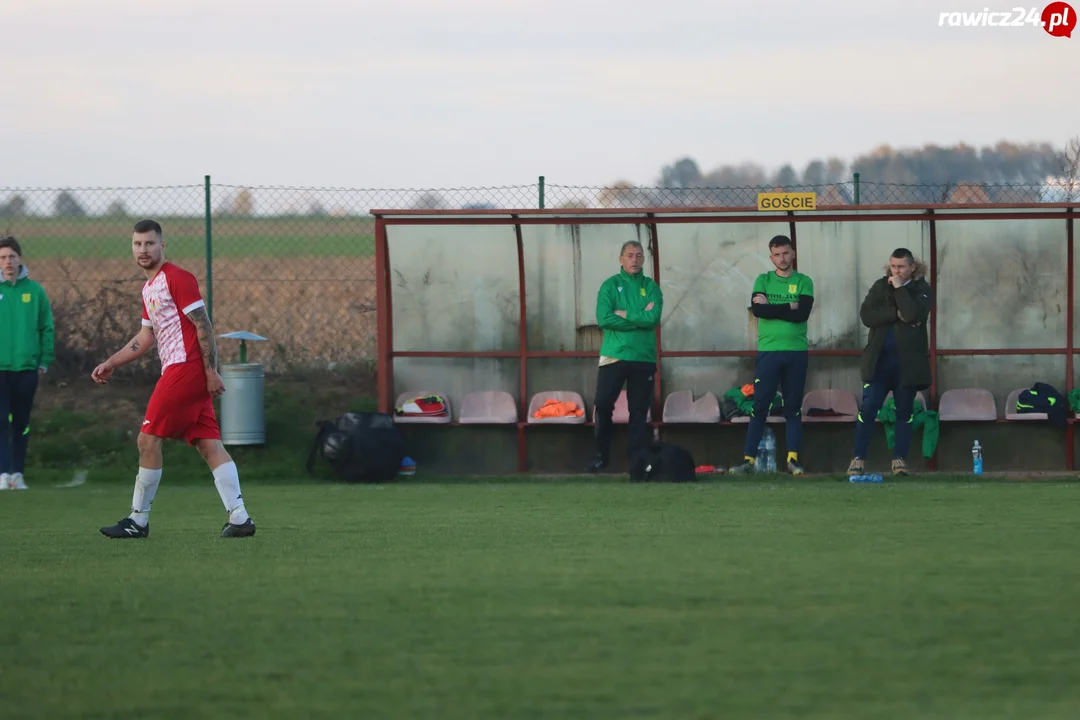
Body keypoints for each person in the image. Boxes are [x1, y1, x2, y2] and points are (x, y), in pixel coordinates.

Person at [93, 219, 255, 538]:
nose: (143, 249)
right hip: (181, 370)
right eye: (138, 244)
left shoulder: (178, 278)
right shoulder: (149, 287)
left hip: (186, 368)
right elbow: (145, 336)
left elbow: (203, 325)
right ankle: (240, 518)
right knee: (209, 445)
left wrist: (209, 371)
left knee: (147, 439)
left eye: (150, 243)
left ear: (162, 246)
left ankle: (138, 520)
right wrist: (112, 361)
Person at [729, 235, 814, 475]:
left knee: (793, 407)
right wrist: (789, 306)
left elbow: (803, 314)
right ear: (771, 257)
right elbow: (758, 310)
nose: (782, 258)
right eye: (777, 254)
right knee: (760, 406)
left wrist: (773, 309)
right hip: (768, 352)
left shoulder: (804, 281)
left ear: (793, 253)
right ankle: (749, 459)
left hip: (796, 353)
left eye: (786, 253)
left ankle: (793, 459)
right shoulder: (763, 279)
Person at [847, 248, 932, 477]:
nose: (896, 271)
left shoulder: (922, 289)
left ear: (912, 267)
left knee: (904, 413)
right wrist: (896, 313)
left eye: (901, 266)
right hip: (879, 363)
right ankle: (858, 458)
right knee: (868, 409)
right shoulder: (879, 286)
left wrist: (899, 291)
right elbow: (867, 316)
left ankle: (899, 460)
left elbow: (913, 314)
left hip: (907, 365)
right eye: (893, 266)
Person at [585, 240, 663, 480]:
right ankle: (602, 455)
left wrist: (624, 314)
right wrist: (639, 317)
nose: (634, 260)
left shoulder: (651, 287)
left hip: (643, 357)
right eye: (630, 255)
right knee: (603, 404)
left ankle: (637, 465)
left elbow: (653, 319)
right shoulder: (610, 285)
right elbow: (604, 319)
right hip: (614, 355)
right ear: (621, 259)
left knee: (639, 412)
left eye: (639, 256)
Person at [0, 236, 54, 491]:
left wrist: (44, 360)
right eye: (2, 258)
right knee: (1, 420)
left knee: (21, 423)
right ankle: (3, 473)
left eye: (11, 256)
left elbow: (47, 328)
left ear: (19, 258)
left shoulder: (35, 292)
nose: (7, 262)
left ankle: (18, 474)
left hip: (26, 369)